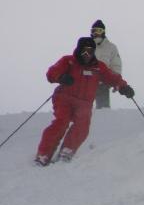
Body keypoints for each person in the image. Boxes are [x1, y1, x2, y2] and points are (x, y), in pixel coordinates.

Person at [35, 37, 135, 166]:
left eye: (90, 51)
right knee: (61, 122)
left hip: (84, 103)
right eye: (84, 51)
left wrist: (123, 87)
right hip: (64, 98)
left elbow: (112, 78)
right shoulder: (68, 61)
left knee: (83, 126)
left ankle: (67, 152)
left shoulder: (98, 67)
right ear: (78, 50)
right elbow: (52, 73)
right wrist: (61, 77)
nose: (87, 54)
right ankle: (43, 155)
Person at [90, 20, 122, 109]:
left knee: (103, 109)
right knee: (83, 109)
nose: (96, 33)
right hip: (87, 81)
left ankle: (103, 116)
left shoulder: (111, 47)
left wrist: (116, 81)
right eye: (94, 31)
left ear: (103, 32)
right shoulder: (87, 45)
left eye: (99, 31)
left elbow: (116, 65)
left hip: (103, 83)